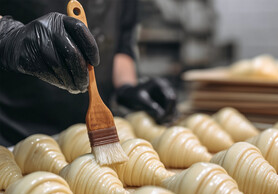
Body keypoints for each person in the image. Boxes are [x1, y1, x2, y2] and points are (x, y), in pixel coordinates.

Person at [0, 0, 177, 147]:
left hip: (91, 135)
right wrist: (7, 35)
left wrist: (126, 86)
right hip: (15, 135)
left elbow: (120, 39)